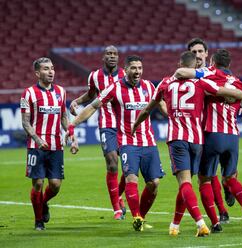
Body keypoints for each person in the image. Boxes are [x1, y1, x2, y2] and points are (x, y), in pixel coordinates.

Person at [131, 51, 242, 236]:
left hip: (178, 138)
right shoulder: (201, 82)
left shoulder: (165, 83)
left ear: (180, 63)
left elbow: (148, 109)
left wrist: (135, 125)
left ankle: (201, 223)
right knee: (194, 182)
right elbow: (222, 91)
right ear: (194, 65)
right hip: (198, 140)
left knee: (185, 183)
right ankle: (175, 225)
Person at [66, 55, 165, 231]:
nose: (137, 72)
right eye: (133, 68)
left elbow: (162, 104)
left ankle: (140, 216)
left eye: (140, 68)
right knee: (131, 178)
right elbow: (93, 106)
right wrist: (73, 124)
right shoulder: (115, 88)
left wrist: (174, 115)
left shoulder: (150, 86)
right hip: (127, 142)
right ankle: (136, 218)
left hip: (149, 141)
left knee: (154, 184)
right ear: (125, 70)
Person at [175, 49, 242, 232]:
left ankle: (215, 222)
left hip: (212, 134)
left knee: (205, 180)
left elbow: (183, 74)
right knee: (230, 177)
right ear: (229, 65)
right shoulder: (239, 83)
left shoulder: (209, 74)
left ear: (212, 61)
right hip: (233, 136)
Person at [20, 57, 78, 230]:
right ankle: (38, 220)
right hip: (36, 146)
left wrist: (71, 135)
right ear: (37, 73)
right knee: (38, 183)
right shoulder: (28, 93)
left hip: (56, 145)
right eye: (46, 69)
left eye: (52, 68)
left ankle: (43, 203)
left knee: (55, 184)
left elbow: (64, 117)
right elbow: (25, 122)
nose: (51, 71)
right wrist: (38, 140)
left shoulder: (61, 91)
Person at [69, 45, 127, 220]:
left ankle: (118, 194)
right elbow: (91, 95)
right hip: (107, 125)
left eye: (115, 54)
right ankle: (116, 208)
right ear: (103, 57)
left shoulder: (126, 75)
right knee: (112, 163)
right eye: (109, 54)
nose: (112, 56)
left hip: (125, 125)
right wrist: (77, 101)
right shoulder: (95, 76)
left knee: (128, 166)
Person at [187, 38, 235, 220]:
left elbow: (234, 87)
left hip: (220, 126)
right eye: (194, 52)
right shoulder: (190, 75)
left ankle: (228, 187)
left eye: (200, 51)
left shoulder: (212, 73)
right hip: (199, 129)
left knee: (225, 172)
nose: (197, 55)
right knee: (206, 173)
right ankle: (222, 212)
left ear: (207, 54)